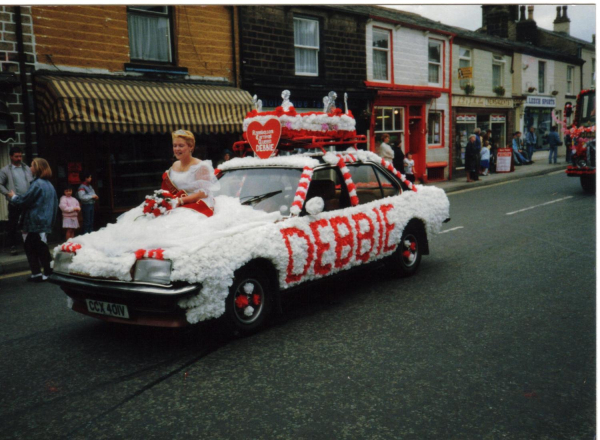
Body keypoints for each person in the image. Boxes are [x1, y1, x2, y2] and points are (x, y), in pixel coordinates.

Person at [7, 158, 57, 282]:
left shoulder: (37, 184)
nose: (30, 168)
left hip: (35, 221)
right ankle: (39, 273)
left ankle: (46, 272)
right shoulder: (49, 185)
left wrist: (13, 197)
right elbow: (55, 205)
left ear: (38, 168)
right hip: (43, 220)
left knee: (38, 247)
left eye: (32, 165)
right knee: (34, 245)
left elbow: (25, 200)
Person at [161, 129, 219, 217]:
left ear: (191, 147)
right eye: (174, 145)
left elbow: (203, 193)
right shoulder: (174, 165)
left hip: (197, 206)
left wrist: (180, 201)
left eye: (181, 145)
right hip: (177, 205)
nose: (177, 149)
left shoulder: (201, 166)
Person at [0, 146, 33, 255]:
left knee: (28, 223)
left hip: (27, 201)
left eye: (20, 156)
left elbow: (32, 182)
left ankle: (29, 244)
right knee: (12, 225)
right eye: (16, 156)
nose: (19, 158)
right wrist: (7, 193)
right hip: (14, 201)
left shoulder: (27, 168)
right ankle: (13, 246)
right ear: (10, 156)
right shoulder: (5, 170)